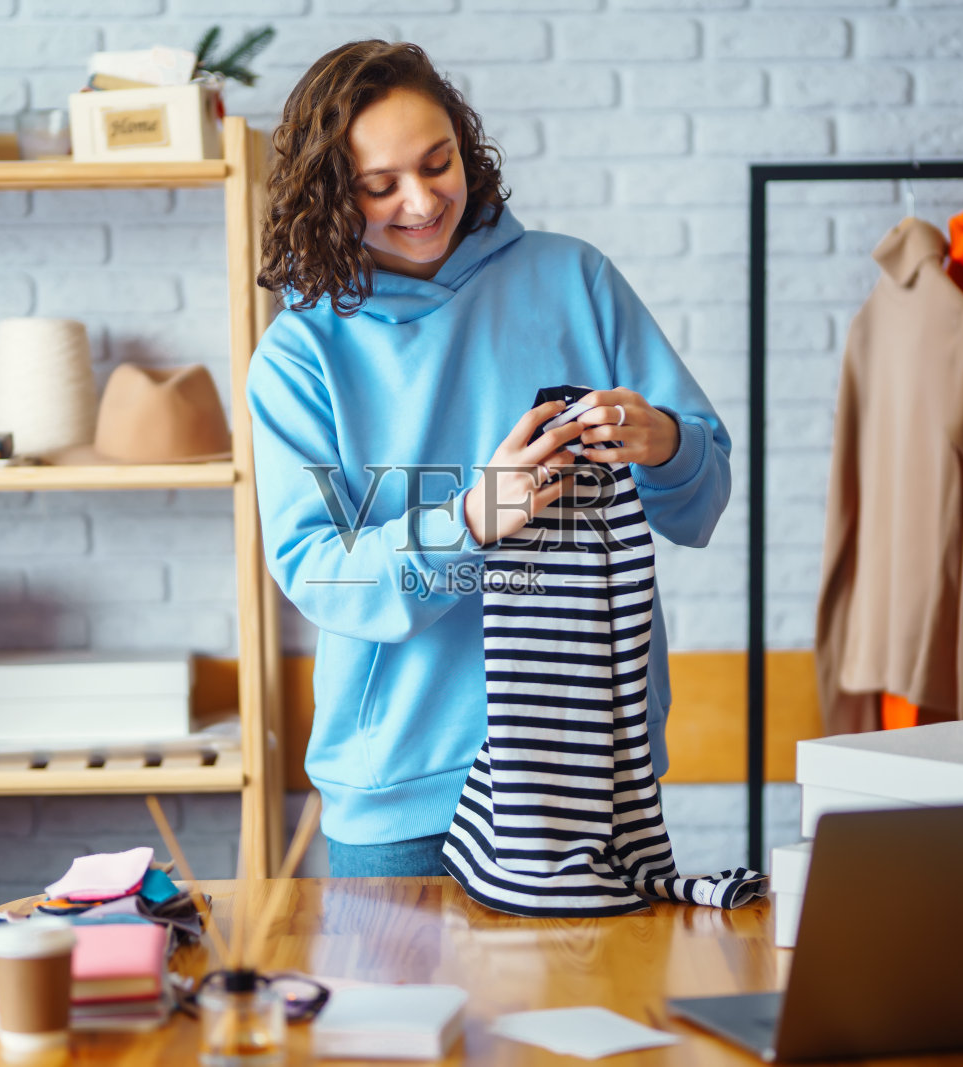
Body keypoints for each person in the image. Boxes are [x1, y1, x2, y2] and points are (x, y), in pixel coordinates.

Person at [247, 40, 731, 878]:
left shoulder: (576, 280)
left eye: (439, 163)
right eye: (379, 184)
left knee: (597, 1015)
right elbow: (316, 570)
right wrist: (471, 518)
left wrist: (670, 444)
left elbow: (700, 500)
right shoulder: (301, 354)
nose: (422, 200)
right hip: (402, 799)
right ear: (332, 194)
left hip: (593, 776)